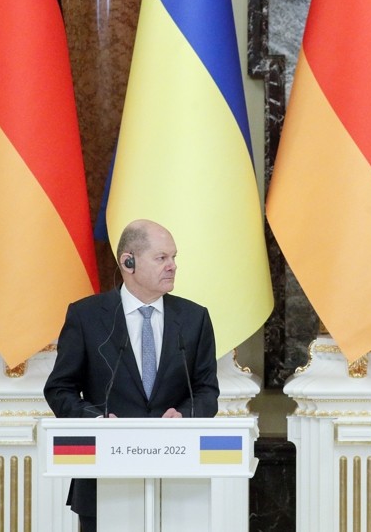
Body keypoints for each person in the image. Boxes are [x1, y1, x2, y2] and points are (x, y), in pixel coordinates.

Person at [44, 219, 219, 532]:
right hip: (103, 477)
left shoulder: (194, 319)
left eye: (174, 257)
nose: (172, 266)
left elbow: (207, 390)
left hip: (177, 478)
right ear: (128, 262)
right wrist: (96, 421)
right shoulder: (86, 316)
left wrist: (185, 415)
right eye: (161, 258)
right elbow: (60, 389)